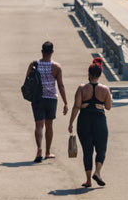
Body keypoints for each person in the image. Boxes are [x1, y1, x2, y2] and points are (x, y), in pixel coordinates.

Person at [68, 58, 111, 187]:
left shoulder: (82, 88)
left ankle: (88, 180)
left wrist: (70, 123)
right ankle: (97, 172)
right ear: (100, 74)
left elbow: (76, 106)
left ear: (89, 73)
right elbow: (108, 107)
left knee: (87, 150)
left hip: (84, 120)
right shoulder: (105, 89)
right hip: (99, 120)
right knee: (101, 149)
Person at [26, 41, 68, 162]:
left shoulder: (34, 65)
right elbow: (60, 85)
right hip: (51, 99)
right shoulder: (56, 67)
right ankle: (48, 152)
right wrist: (65, 102)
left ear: (42, 51)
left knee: (39, 125)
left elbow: (27, 82)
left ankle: (39, 148)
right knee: (49, 125)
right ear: (52, 52)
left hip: (38, 98)